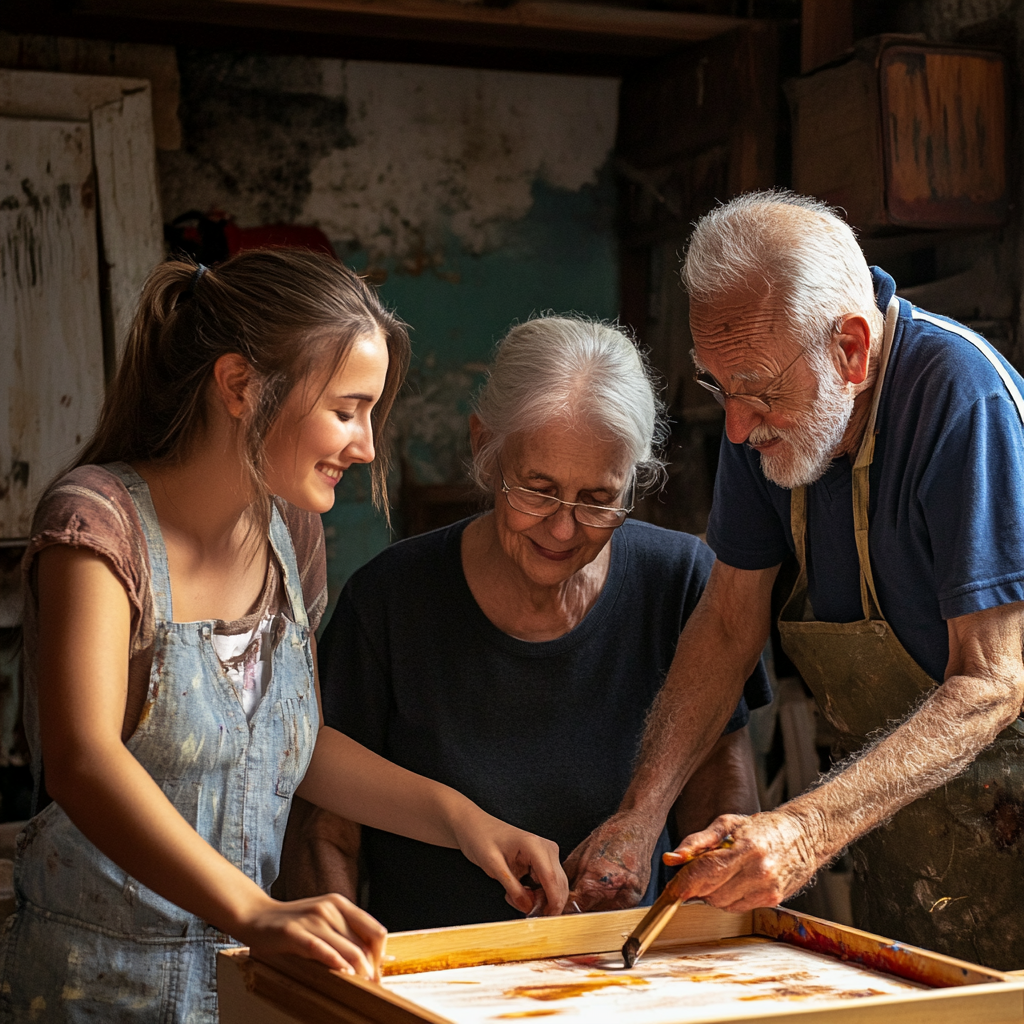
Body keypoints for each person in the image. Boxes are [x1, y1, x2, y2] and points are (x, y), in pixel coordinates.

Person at [0, 250, 568, 1023]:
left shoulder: (288, 531)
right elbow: (82, 760)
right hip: (92, 989)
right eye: (346, 409)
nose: (366, 446)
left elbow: (285, 744)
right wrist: (258, 912)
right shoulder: (98, 527)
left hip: (242, 987)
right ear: (240, 386)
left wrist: (466, 822)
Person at [563, 192, 1024, 969]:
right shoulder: (768, 422)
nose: (737, 429)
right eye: (719, 388)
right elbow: (727, 623)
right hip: (907, 827)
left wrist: (805, 828)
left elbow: (991, 682)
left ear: (850, 347)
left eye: (759, 390)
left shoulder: (959, 397)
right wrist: (642, 816)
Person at [276, 315, 772, 930]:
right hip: (433, 982)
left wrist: (696, 933)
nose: (563, 530)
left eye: (598, 499)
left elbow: (720, 793)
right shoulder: (390, 601)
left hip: (625, 980)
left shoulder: (681, 584)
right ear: (486, 446)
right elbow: (325, 831)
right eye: (536, 490)